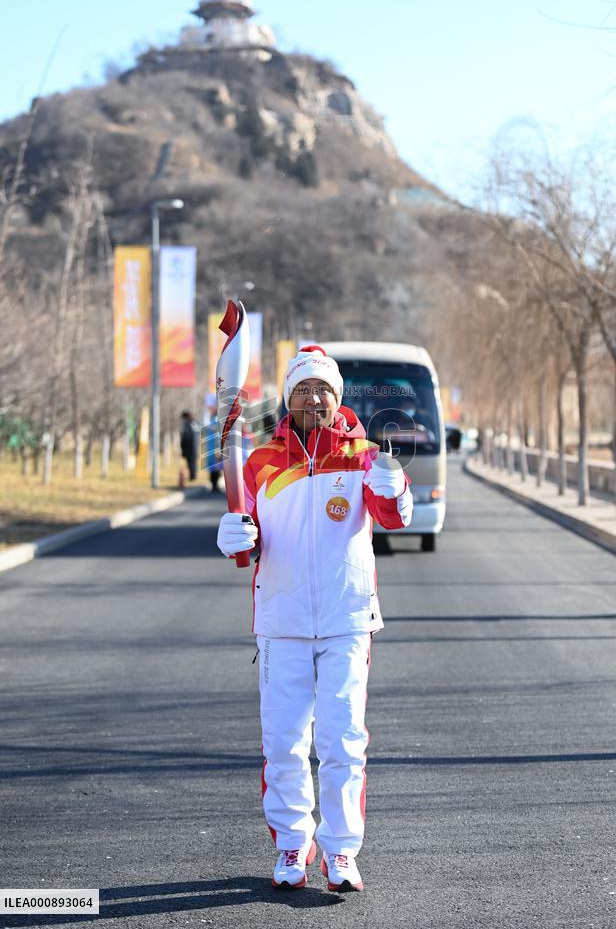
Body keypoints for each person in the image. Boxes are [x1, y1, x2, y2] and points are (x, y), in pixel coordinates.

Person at [216, 346, 413, 892]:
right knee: (283, 743)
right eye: (303, 389)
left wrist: (393, 488)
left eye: (324, 389)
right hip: (281, 621)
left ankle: (342, 852)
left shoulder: (366, 455)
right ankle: (290, 845)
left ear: (337, 398)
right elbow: (245, 535)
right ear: (289, 399)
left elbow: (393, 519)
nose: (314, 398)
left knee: (343, 741)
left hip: (347, 617)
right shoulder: (259, 462)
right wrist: (234, 535)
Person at [180, 411, 200, 481]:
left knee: (191, 462)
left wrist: (182, 446)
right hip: (195, 446)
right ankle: (193, 476)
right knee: (193, 462)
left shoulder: (188, 424)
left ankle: (192, 477)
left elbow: (186, 437)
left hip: (189, 447)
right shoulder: (195, 423)